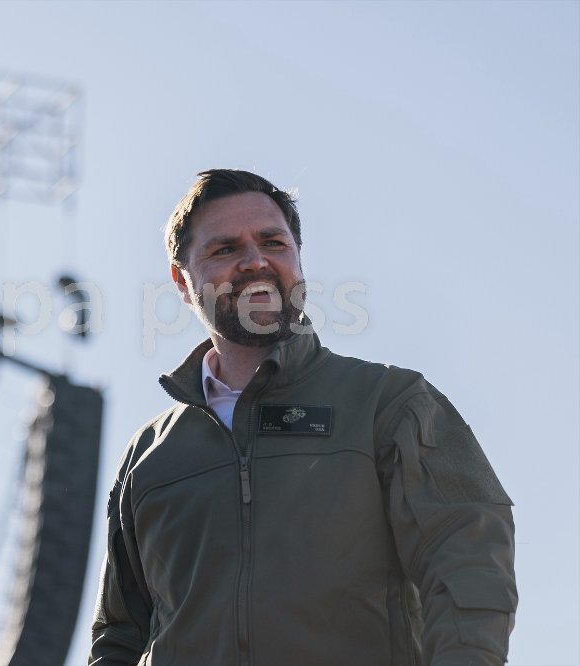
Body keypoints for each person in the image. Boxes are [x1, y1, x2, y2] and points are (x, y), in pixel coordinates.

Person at [89, 169, 517, 666]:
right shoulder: (147, 459)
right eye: (225, 249)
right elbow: (118, 635)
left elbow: (468, 566)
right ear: (182, 282)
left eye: (273, 242)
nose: (255, 261)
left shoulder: (391, 403)